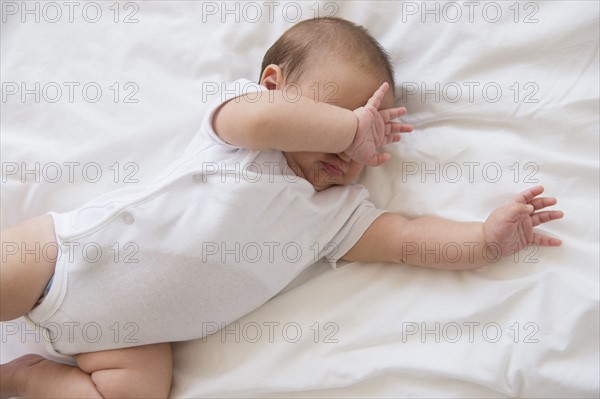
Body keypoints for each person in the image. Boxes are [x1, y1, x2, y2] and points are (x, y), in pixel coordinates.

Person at [0, 17, 563, 398]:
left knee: (139, 393)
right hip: (65, 257)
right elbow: (268, 118)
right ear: (274, 84)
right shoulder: (241, 136)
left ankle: (24, 380)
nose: (353, 146)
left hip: (129, 340)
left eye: (370, 136)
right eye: (340, 118)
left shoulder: (336, 218)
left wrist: (484, 240)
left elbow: (408, 237)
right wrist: (351, 126)